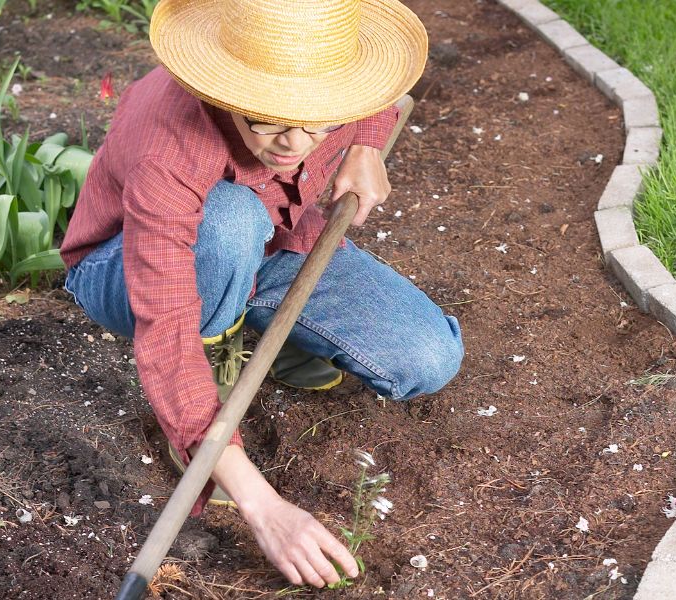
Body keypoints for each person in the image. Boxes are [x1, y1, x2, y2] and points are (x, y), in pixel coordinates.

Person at [60, 0, 463, 589]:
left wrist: (364, 143)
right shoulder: (169, 143)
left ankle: (257, 326)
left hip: (278, 245)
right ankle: (207, 426)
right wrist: (262, 505)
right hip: (131, 268)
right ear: (230, 90)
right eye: (268, 119)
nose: (294, 142)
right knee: (228, 223)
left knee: (428, 358)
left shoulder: (336, 72)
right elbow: (167, 325)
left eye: (319, 120)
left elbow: (377, 97)